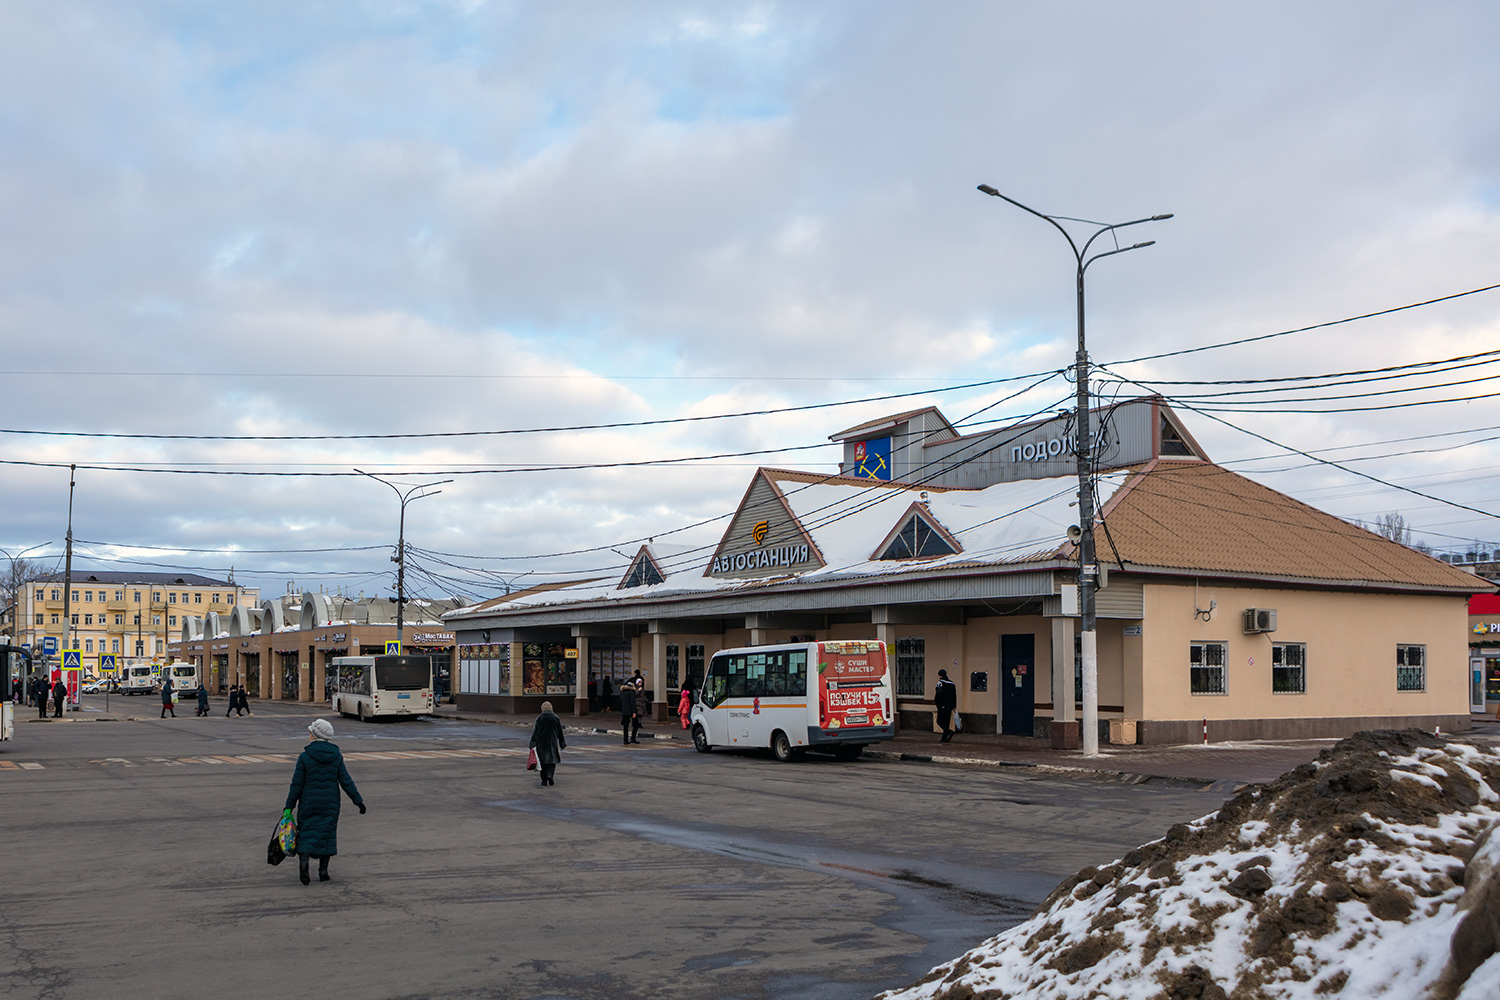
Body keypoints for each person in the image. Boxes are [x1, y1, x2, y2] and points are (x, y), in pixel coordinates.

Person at [284, 718, 365, 885]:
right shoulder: (336, 756)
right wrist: (358, 801)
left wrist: (289, 807)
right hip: (331, 802)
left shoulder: (305, 757)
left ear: (314, 735)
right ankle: (323, 871)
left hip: (308, 801)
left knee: (306, 831)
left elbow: (296, 784)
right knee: (327, 833)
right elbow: (345, 780)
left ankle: (304, 862)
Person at [528, 701, 566, 786]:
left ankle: (544, 781)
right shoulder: (555, 718)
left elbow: (535, 732)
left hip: (541, 743)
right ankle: (550, 775)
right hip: (552, 742)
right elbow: (560, 731)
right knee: (552, 761)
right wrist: (562, 742)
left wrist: (532, 742)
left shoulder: (539, 718)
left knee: (542, 762)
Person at [934, 668, 958, 742]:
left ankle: (949, 731)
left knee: (939, 721)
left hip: (942, 705)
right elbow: (954, 695)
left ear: (939, 675)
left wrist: (937, 703)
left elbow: (938, 694)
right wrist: (954, 705)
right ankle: (944, 738)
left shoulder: (940, 683)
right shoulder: (952, 684)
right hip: (950, 706)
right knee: (946, 722)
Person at [619, 679, 641, 745]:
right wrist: (634, 712)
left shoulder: (622, 692)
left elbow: (620, 702)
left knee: (625, 726)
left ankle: (625, 740)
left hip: (624, 711)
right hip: (631, 711)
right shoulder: (632, 692)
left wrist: (622, 710)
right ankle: (633, 738)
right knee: (636, 724)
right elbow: (632, 703)